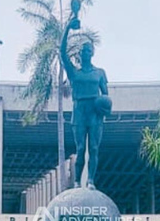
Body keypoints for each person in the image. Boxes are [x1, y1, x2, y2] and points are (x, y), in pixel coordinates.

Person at [60, 11, 110, 189]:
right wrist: (67, 28)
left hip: (95, 113)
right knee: (80, 149)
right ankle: (76, 181)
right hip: (79, 111)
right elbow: (62, 53)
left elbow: (106, 95)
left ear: (93, 53)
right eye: (82, 51)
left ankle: (91, 181)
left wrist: (106, 108)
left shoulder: (100, 73)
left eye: (88, 50)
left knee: (94, 149)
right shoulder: (74, 72)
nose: (85, 53)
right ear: (80, 54)